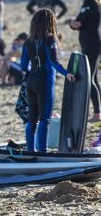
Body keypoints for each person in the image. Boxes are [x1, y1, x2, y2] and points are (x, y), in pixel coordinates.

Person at [22, 9, 75, 152]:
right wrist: (67, 73)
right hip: (45, 82)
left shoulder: (28, 41)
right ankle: (42, 153)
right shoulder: (50, 39)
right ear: (50, 22)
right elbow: (54, 62)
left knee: (32, 120)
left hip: (31, 82)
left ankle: (30, 151)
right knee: (45, 119)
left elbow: (23, 66)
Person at [69, 0, 101, 122]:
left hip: (91, 45)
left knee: (90, 79)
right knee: (94, 77)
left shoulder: (89, 2)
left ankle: (97, 114)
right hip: (93, 43)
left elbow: (77, 24)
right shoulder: (95, 1)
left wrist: (71, 22)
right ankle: (98, 111)